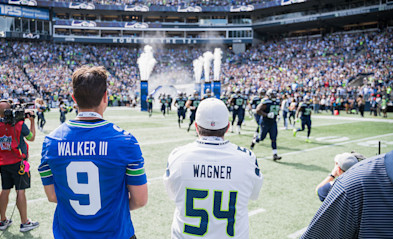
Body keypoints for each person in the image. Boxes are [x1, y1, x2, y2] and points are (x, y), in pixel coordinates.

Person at [38, 66, 148, 238]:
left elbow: (52, 196)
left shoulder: (50, 142)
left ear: (74, 98)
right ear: (105, 97)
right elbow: (140, 200)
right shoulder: (125, 141)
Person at [164, 98, 263, 238]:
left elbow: (172, 194)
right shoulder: (247, 159)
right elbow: (253, 194)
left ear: (196, 126)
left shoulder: (177, 156)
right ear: (228, 127)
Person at [301, 150, 393, 238]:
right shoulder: (370, 180)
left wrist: (332, 175)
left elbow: (318, 190)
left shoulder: (342, 186)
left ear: (339, 170)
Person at [0, 100, 39, 232]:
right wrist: (32, 121)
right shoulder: (19, 125)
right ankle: (24, 222)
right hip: (20, 162)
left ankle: (3, 220)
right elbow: (31, 137)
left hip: (3, 162)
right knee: (20, 190)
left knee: (5, 189)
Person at [250, 89, 282, 161]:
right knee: (262, 138)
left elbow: (276, 109)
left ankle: (275, 154)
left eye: (274, 94)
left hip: (273, 122)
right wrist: (266, 114)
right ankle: (254, 140)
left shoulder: (277, 101)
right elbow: (258, 110)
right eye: (272, 95)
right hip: (265, 122)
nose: (274, 96)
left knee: (273, 138)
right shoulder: (265, 101)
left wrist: (278, 115)